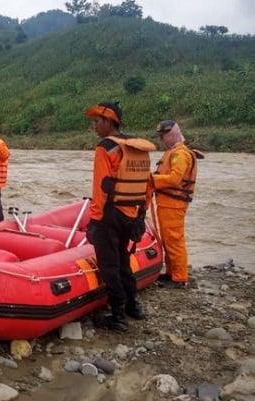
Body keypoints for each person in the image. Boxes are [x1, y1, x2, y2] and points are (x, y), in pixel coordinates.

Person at [84, 101, 155, 332]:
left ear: (109, 121)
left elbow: (101, 188)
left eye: (97, 122)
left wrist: (95, 221)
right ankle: (133, 305)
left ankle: (117, 316)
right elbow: (147, 184)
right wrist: (140, 215)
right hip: (131, 213)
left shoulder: (105, 148)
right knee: (123, 261)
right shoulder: (134, 146)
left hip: (108, 216)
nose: (94, 126)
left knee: (109, 266)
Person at [150, 120, 202, 289]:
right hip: (166, 204)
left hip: (174, 205)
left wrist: (150, 179)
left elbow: (174, 179)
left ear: (170, 134)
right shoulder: (173, 152)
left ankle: (179, 278)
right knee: (167, 239)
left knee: (174, 240)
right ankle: (171, 272)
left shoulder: (181, 154)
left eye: (163, 136)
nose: (161, 140)